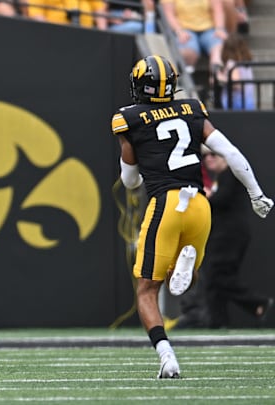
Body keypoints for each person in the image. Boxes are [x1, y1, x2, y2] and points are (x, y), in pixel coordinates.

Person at [112, 55, 272, 378]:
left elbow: (129, 181)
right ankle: (181, 267)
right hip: (200, 204)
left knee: (146, 290)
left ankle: (166, 355)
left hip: (166, 204)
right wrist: (256, 194)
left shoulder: (128, 119)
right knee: (188, 278)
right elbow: (231, 153)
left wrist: (142, 174)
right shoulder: (193, 110)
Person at [200, 147, 273, 328]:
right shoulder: (220, 178)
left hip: (229, 234)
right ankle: (218, 322)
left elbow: (221, 200)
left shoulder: (231, 174)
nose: (208, 159)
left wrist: (207, 197)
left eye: (212, 154)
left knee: (218, 277)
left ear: (224, 156)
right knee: (216, 277)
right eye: (205, 156)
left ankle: (257, 303)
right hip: (223, 234)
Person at [160, 0, 228, 73]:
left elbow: (218, 10)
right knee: (188, 53)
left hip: (209, 29)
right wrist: (179, 31)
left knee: (218, 51)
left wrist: (219, 28)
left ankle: (216, 77)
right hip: (184, 30)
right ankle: (187, 78)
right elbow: (169, 14)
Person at [216, 34, 256, 110]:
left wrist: (220, 77)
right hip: (249, 101)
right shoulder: (246, 64)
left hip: (235, 103)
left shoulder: (231, 64)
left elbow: (236, 83)